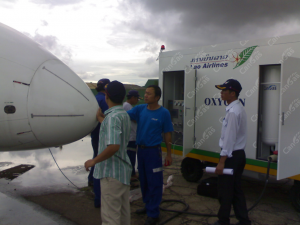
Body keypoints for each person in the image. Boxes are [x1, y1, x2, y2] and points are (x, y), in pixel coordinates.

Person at [84, 80, 132, 225]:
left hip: (111, 175)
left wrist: (94, 161)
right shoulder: (123, 115)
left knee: (110, 219)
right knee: (123, 216)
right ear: (123, 98)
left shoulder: (112, 118)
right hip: (122, 173)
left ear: (106, 97)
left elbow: (113, 146)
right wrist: (100, 119)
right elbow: (112, 127)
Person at [127, 85, 173, 225]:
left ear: (157, 97)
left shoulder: (163, 113)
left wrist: (169, 154)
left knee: (155, 182)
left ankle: (154, 213)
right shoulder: (140, 109)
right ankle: (148, 206)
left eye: (148, 94)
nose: (145, 96)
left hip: (154, 152)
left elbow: (167, 134)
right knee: (144, 180)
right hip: (141, 151)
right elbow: (124, 115)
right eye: (145, 93)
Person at [213, 79, 251, 225]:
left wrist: (222, 162)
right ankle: (243, 220)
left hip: (231, 156)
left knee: (225, 191)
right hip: (238, 155)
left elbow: (229, 139)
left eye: (224, 90)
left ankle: (223, 220)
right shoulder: (237, 108)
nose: (221, 93)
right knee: (236, 190)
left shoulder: (233, 112)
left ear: (233, 93)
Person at [89, 78, 110, 208]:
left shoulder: (94, 98)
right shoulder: (104, 100)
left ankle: (91, 179)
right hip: (102, 132)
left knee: (96, 156)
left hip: (94, 132)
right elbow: (109, 117)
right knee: (101, 159)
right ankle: (98, 191)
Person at [123, 90, 140, 183]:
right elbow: (134, 119)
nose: (137, 100)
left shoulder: (126, 105)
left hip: (130, 135)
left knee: (131, 156)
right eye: (137, 98)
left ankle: (132, 173)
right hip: (131, 136)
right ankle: (131, 175)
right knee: (130, 156)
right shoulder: (127, 106)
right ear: (132, 97)